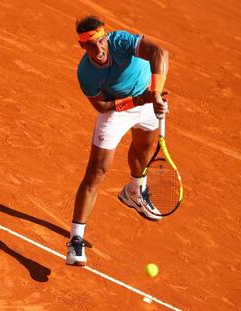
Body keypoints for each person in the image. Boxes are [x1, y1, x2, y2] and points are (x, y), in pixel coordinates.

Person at [66, 16, 169, 266]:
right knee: (97, 172)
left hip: (148, 96)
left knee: (145, 146)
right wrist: (137, 101)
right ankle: (75, 241)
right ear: (82, 46)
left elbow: (160, 52)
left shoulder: (120, 41)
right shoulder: (86, 73)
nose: (99, 48)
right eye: (92, 45)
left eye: (101, 41)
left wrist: (154, 93)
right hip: (117, 111)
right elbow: (102, 105)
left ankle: (135, 191)